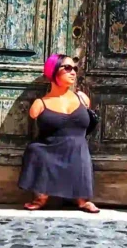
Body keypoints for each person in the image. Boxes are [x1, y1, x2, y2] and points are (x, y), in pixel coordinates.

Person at [18, 53, 99, 213]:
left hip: (77, 150)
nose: (73, 72)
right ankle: (41, 196)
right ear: (53, 71)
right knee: (35, 151)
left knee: (80, 153)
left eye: (74, 68)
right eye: (67, 68)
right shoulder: (40, 104)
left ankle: (83, 200)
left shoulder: (82, 98)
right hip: (50, 150)